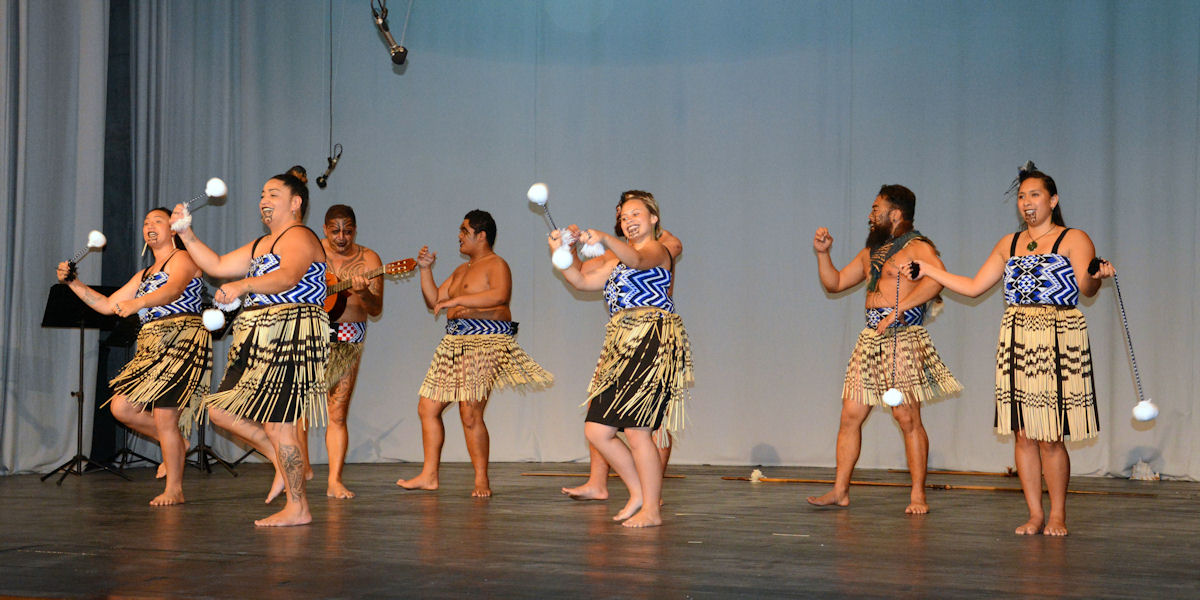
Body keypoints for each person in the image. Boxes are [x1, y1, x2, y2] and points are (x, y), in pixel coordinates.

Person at [907, 163, 1113, 536]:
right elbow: (973, 287)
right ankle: (1035, 514)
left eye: (1035, 195)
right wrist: (929, 270)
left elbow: (1087, 288)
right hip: (1017, 337)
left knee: (1051, 435)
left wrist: (1096, 276)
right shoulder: (1010, 244)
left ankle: (1057, 514)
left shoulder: (1073, 239)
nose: (1027, 203)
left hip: (1057, 337)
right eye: (1021, 197)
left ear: (1053, 200)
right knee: (1023, 433)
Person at [171, 166, 328, 527]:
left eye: (273, 194)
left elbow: (288, 276)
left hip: (290, 334)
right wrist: (186, 233)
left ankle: (298, 507)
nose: (264, 200)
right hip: (256, 337)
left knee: (279, 426)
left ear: (295, 203)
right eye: (261, 195)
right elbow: (217, 265)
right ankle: (282, 462)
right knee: (219, 411)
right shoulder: (260, 245)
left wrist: (243, 286)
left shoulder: (300, 236)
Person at [808, 184, 961, 514]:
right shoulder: (871, 253)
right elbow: (835, 283)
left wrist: (900, 308)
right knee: (850, 416)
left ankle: (918, 494)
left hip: (902, 338)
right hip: (870, 340)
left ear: (896, 214)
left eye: (876, 209)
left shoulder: (917, 247)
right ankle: (840, 490)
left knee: (906, 416)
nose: (870, 215)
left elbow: (938, 278)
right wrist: (823, 254)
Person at [549, 191, 694, 527]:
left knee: (638, 430)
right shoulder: (616, 262)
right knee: (597, 430)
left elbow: (639, 261)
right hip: (621, 344)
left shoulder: (657, 250)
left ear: (653, 219)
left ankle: (652, 510)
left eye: (636, 214)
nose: (629, 221)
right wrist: (561, 251)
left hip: (651, 336)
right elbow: (580, 279)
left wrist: (604, 238)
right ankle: (639, 494)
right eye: (624, 217)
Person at [56, 208, 212, 506]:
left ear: (173, 229)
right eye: (146, 222)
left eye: (157, 221)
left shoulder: (183, 258)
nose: (149, 226)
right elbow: (107, 305)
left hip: (182, 340)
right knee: (122, 407)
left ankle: (174, 489)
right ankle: (177, 442)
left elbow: (172, 290)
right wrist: (73, 282)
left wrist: (137, 303)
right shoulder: (144, 275)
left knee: (165, 415)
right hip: (152, 345)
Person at [396, 210, 552, 497]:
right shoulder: (460, 271)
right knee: (427, 407)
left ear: (481, 235)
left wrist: (458, 300)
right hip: (454, 343)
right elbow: (435, 300)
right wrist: (425, 270)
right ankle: (429, 475)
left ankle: (481, 479)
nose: (459, 236)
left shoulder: (497, 264)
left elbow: (499, 295)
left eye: (464, 230)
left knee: (470, 412)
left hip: (487, 342)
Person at [295, 204, 383, 499]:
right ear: (325, 229)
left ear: (355, 230)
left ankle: (334, 480)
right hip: (311, 332)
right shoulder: (311, 251)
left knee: (338, 412)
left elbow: (376, 309)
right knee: (300, 409)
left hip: (348, 336)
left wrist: (364, 291)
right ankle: (303, 467)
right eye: (335, 231)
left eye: (348, 231)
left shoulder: (369, 259)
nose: (342, 237)